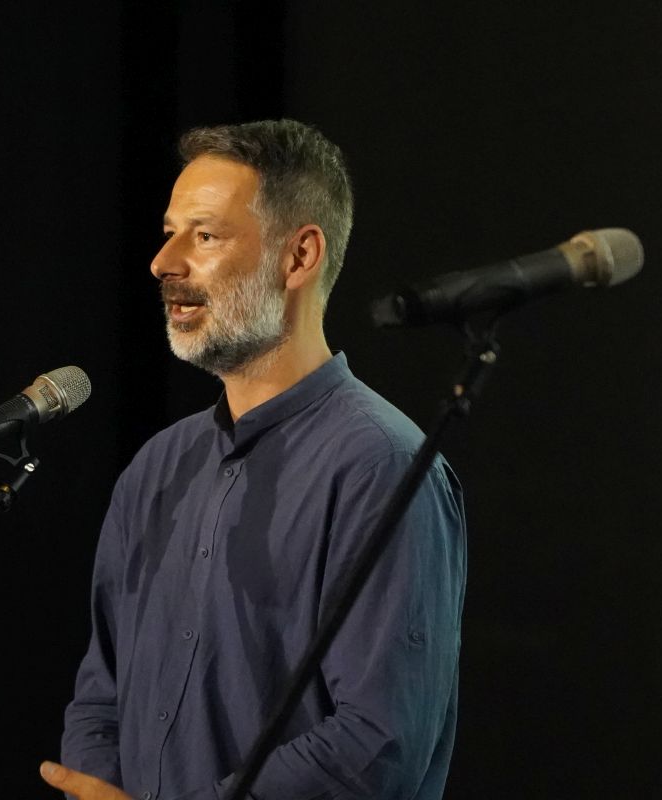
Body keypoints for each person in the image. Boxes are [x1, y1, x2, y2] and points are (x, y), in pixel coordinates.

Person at [40, 120, 466, 800]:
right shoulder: (156, 468)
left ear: (298, 257)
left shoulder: (382, 466)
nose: (163, 262)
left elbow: (378, 742)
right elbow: (101, 694)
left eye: (205, 235)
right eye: (170, 232)